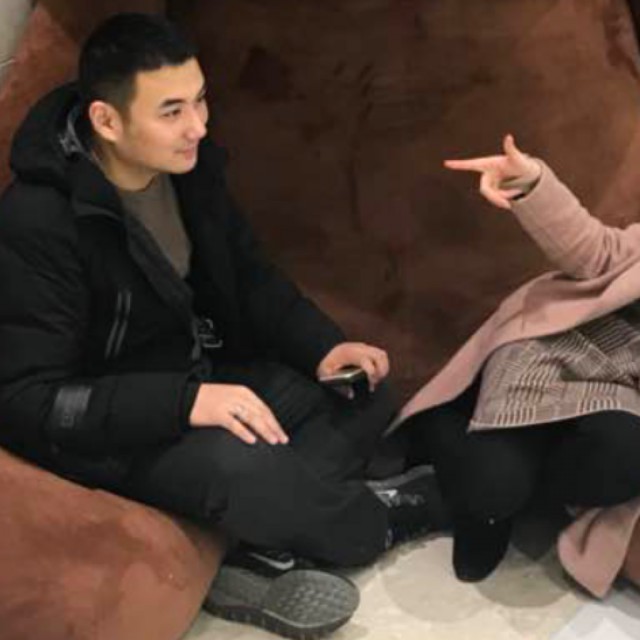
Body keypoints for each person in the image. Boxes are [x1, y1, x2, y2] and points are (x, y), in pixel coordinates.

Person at [0, 12, 443, 639]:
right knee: (246, 471)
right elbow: (28, 399)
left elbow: (250, 275)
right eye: (172, 111)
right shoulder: (39, 220)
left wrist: (323, 346)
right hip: (114, 425)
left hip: (200, 375)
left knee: (361, 396)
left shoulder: (189, 169)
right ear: (107, 120)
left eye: (201, 100)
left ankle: (252, 546)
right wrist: (184, 404)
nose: (199, 126)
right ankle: (375, 520)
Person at [391, 134, 640, 583]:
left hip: (617, 388)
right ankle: (454, 432)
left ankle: (511, 490)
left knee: (624, 460)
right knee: (491, 492)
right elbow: (596, 251)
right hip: (557, 343)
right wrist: (533, 184)